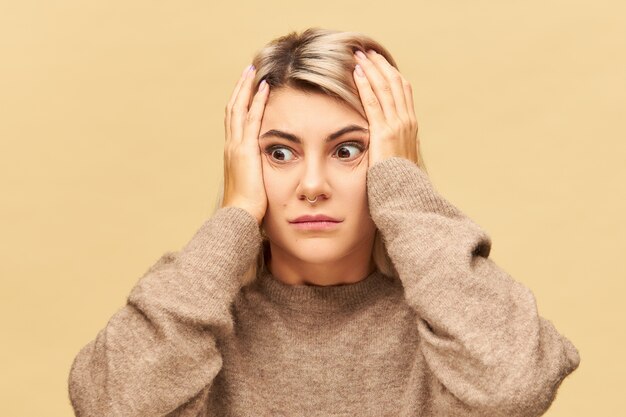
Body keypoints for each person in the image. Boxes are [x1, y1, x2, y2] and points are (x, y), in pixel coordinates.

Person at [67, 27, 580, 416]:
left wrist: (403, 190)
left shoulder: (448, 326)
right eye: (281, 153)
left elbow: (515, 385)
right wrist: (236, 216)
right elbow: (111, 403)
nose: (312, 184)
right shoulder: (196, 323)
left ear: (388, 161)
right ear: (243, 162)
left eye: (349, 150)